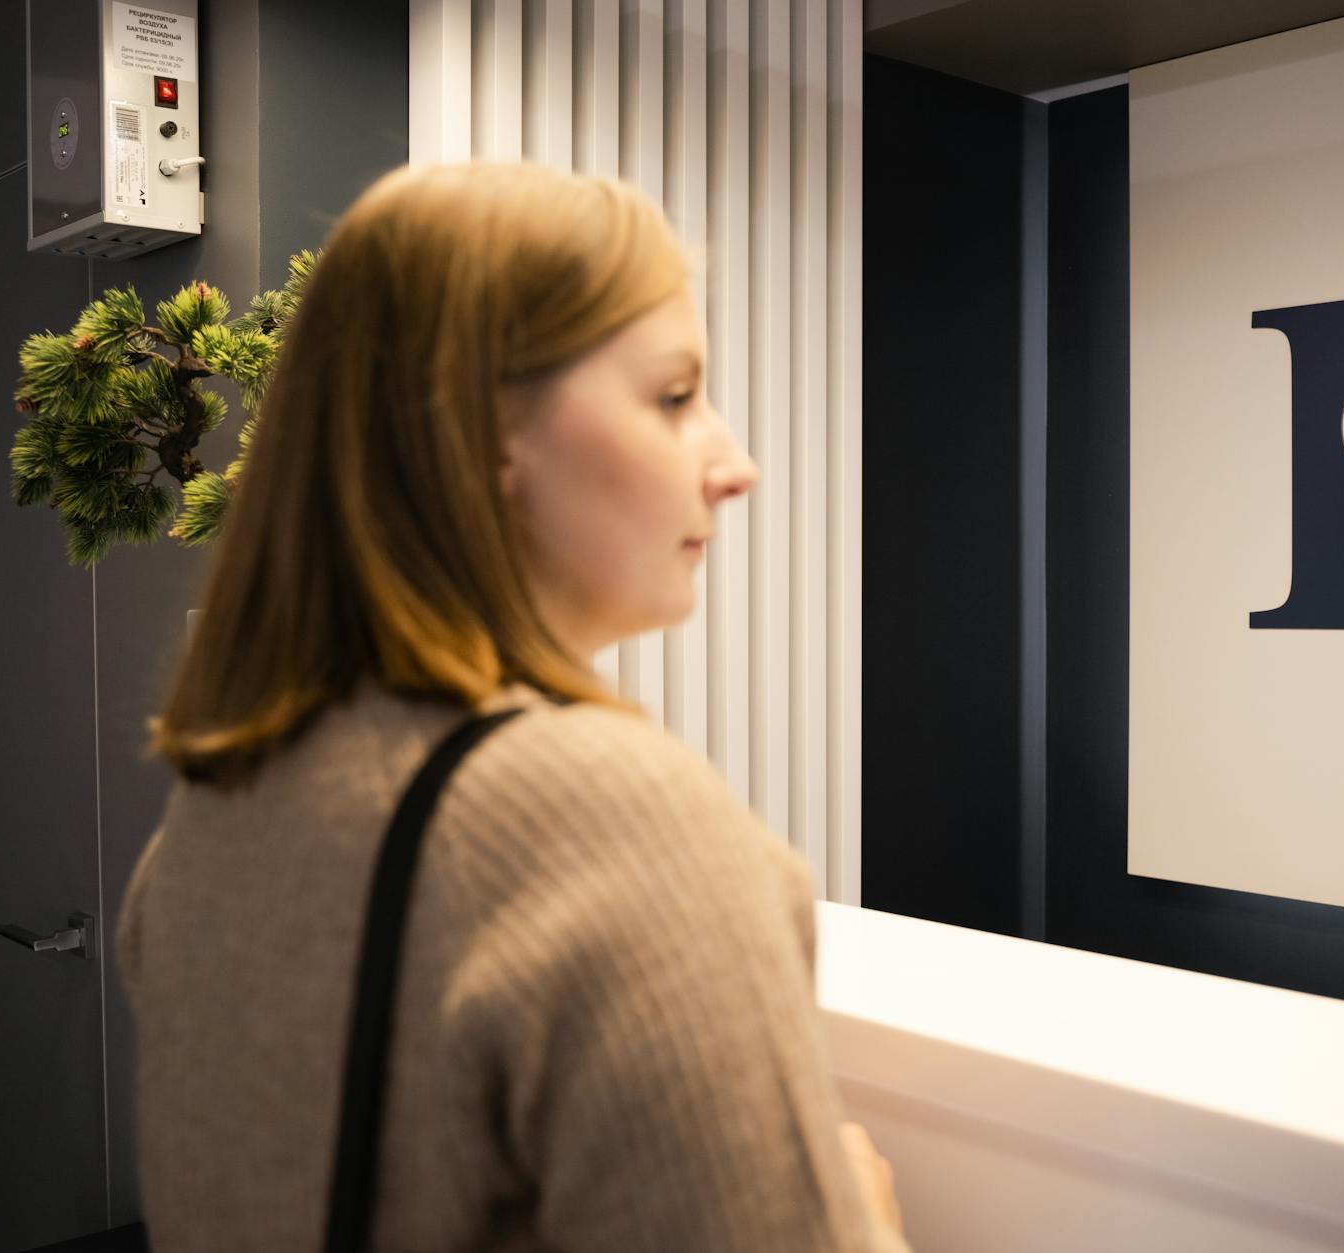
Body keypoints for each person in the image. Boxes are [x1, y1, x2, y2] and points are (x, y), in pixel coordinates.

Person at [118, 161, 911, 1252]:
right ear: (474, 427)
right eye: (675, 396)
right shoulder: (606, 817)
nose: (736, 464)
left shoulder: (208, 820)